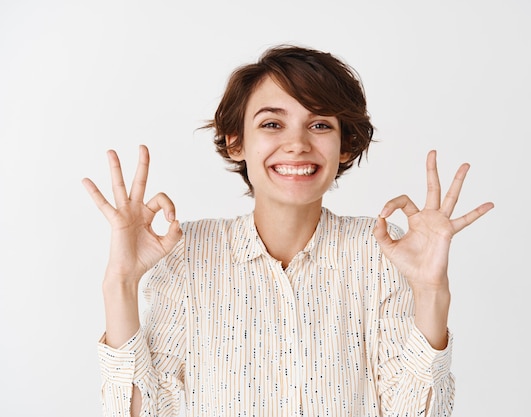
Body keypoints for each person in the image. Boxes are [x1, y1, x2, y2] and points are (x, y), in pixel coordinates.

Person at [82, 44, 493, 417]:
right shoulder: (189, 255)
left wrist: (431, 292)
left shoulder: (380, 252)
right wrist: (120, 282)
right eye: (272, 124)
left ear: (344, 145)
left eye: (319, 126)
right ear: (236, 142)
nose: (297, 144)